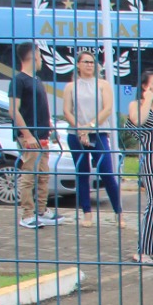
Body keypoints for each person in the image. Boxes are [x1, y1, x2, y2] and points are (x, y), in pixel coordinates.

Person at [61, 48, 123, 228]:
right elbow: (67, 110)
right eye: (85, 62)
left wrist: (89, 127)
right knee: (82, 172)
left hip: (98, 132)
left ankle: (118, 212)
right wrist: (81, 130)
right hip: (76, 134)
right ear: (78, 65)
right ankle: (86, 213)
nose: (89, 65)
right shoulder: (71, 86)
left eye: (91, 62)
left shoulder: (103, 84)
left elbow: (107, 109)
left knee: (107, 172)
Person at [10, 42, 62, 231]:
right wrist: (27, 134)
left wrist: (49, 128)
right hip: (30, 138)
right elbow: (13, 110)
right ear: (32, 56)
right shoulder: (19, 80)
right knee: (29, 175)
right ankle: (27, 214)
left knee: (43, 175)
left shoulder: (37, 80)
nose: (41, 60)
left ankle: (41, 210)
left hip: (42, 136)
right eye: (40, 55)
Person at [125, 70, 153, 264]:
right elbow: (138, 121)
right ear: (145, 86)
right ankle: (142, 250)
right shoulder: (137, 105)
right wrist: (148, 99)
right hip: (151, 159)